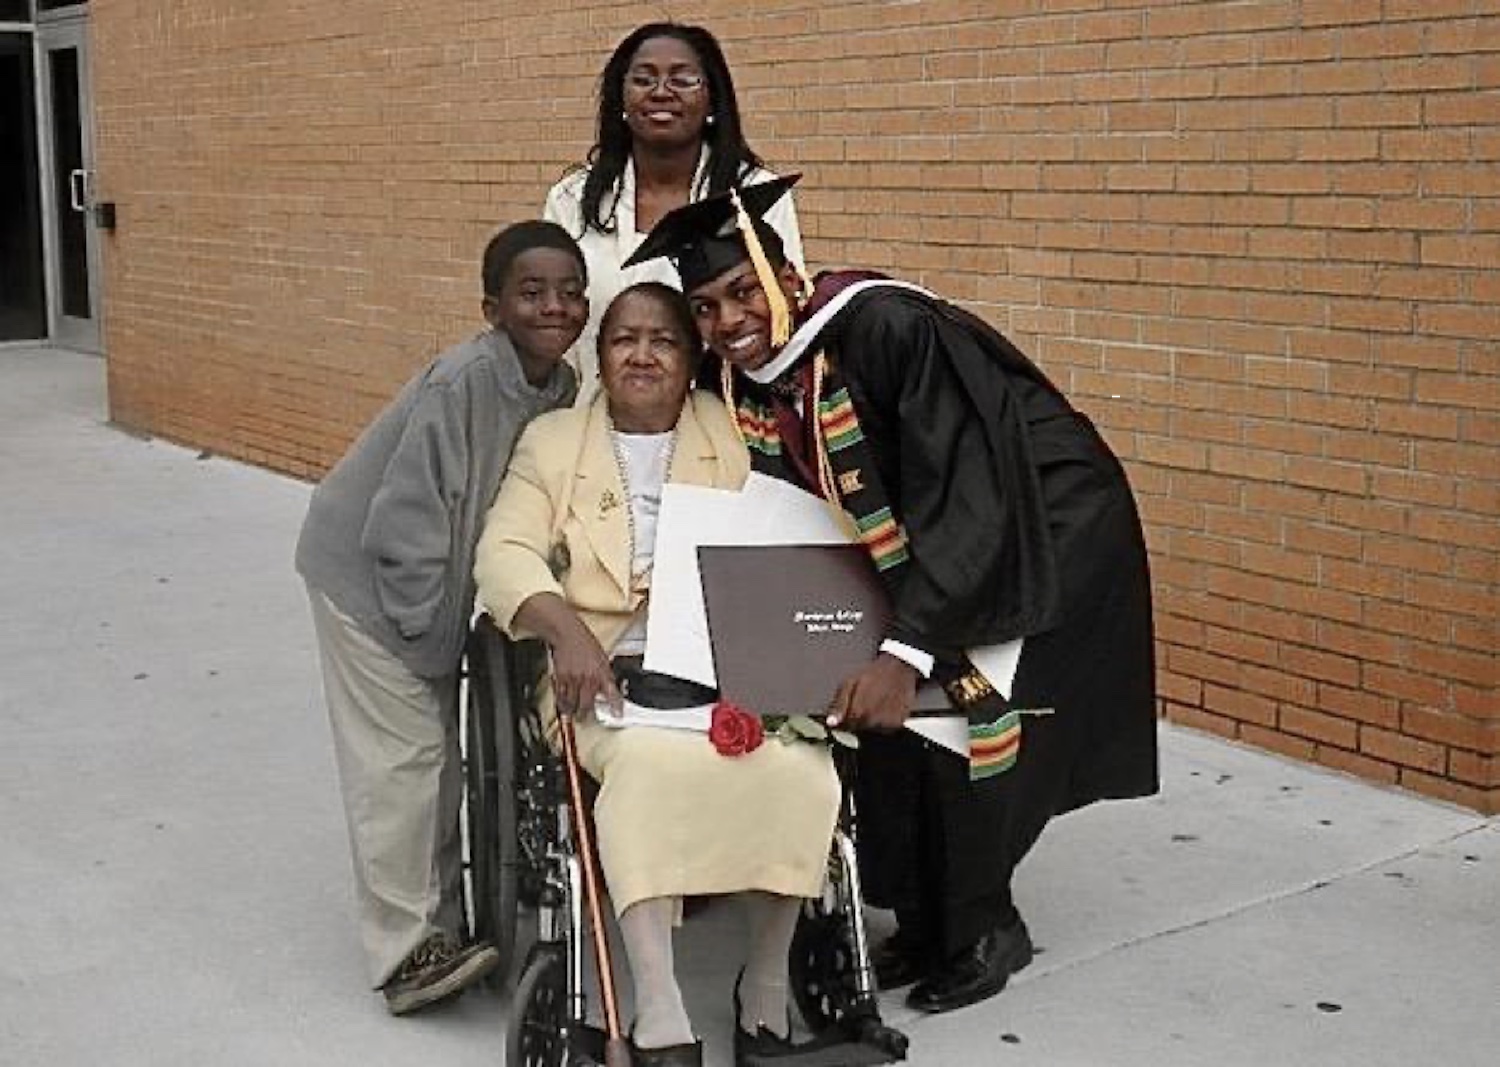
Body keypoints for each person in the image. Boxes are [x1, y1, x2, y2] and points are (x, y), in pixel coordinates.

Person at [623, 177, 1161, 1015]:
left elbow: (969, 490)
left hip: (1042, 523)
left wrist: (905, 646)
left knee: (968, 717)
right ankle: (923, 919)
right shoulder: (759, 374)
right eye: (705, 308)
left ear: (786, 275)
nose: (728, 321)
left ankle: (985, 926)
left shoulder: (885, 326)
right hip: (931, 536)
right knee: (890, 728)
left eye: (740, 292)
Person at [473, 283, 839, 1067]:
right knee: (649, 769)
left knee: (802, 766)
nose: (642, 355)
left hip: (719, 660)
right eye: (623, 340)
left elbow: (782, 537)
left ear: (692, 357)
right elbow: (502, 552)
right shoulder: (553, 441)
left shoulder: (726, 429)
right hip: (600, 672)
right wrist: (565, 629)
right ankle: (661, 1008)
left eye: (664, 341)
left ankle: (766, 984)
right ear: (600, 357)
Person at [294, 221, 587, 1014]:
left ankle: (447, 928)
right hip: (373, 582)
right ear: (493, 307)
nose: (554, 306)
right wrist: (429, 637)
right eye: (531, 293)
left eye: (570, 291)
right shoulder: (465, 381)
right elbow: (406, 520)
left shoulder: (557, 386)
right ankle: (403, 955)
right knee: (405, 762)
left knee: (439, 762)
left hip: (428, 587)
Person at [544, 21, 804, 404]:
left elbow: (782, 317)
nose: (661, 92)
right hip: (595, 423)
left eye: (683, 80)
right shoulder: (573, 200)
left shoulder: (752, 195)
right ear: (620, 100)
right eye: (643, 79)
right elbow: (553, 328)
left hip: (724, 426)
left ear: (713, 100)